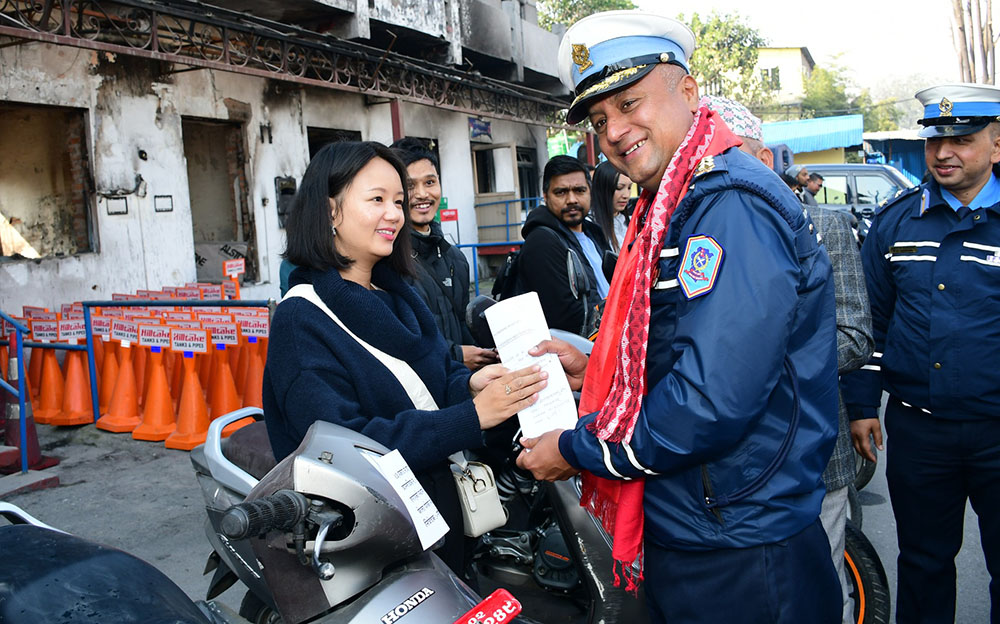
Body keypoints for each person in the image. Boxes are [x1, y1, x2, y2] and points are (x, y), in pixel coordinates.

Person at [515, 11, 841, 624]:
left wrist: (578, 450)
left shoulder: (727, 206)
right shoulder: (676, 201)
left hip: (739, 538)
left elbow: (710, 401)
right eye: (599, 119)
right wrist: (597, 372)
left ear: (688, 92)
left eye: (630, 102)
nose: (614, 131)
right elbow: (681, 347)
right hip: (703, 520)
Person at [262, 140, 548, 578]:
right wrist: (472, 416)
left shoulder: (398, 293)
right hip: (371, 542)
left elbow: (434, 380)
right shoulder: (302, 320)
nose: (395, 214)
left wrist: (471, 385)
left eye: (397, 201)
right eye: (377, 199)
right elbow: (341, 449)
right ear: (330, 211)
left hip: (439, 515)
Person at [704, 93, 874, 623]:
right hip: (728, 468)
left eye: (727, 159)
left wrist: (754, 363)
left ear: (763, 159)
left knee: (818, 588)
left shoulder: (825, 226)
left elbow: (852, 335)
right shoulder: (702, 231)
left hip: (813, 456)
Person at [842, 83, 1000, 623]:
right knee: (925, 562)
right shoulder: (896, 221)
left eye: (964, 139)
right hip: (919, 431)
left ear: (997, 146)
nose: (944, 153)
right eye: (935, 141)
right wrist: (863, 406)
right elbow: (870, 324)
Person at [390, 137, 498, 370]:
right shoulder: (387, 260)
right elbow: (397, 343)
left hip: (461, 386)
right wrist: (456, 354)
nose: (421, 194)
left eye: (430, 182)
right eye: (409, 186)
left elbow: (462, 327)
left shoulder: (455, 259)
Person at [517, 155, 612, 336]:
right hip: (580, 351)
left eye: (579, 190)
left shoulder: (594, 233)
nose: (571, 200)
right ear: (545, 196)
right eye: (561, 192)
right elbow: (567, 318)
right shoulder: (541, 242)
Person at [590, 160, 633, 253]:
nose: (626, 195)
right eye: (619, 188)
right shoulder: (589, 225)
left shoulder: (631, 221)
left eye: (629, 188)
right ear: (602, 188)